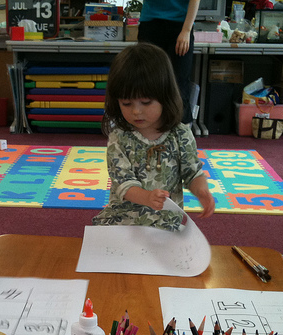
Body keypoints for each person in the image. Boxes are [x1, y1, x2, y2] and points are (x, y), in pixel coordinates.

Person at [92, 43, 215, 231]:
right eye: (126, 103)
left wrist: (202, 190)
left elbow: (192, 172)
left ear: (165, 96)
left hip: (166, 225)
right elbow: (123, 183)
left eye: (146, 102)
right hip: (124, 222)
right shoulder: (119, 137)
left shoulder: (180, 134)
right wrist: (147, 198)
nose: (136, 111)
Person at [138, 0, 200, 124]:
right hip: (150, 23)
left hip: (180, 26)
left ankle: (182, 130)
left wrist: (186, 30)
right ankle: (149, 128)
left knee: (179, 82)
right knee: (149, 80)